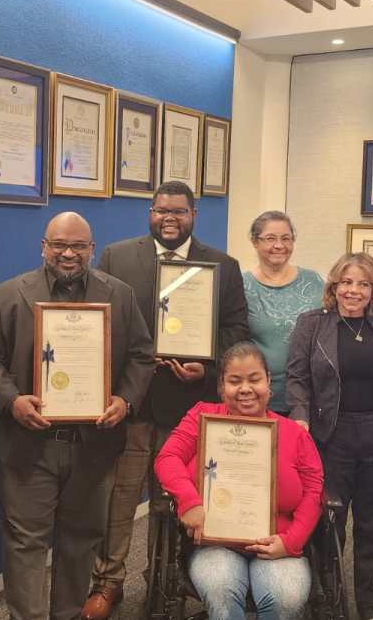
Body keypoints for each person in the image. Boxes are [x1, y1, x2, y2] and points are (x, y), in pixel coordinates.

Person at [0, 212, 155, 620]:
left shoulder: (119, 295)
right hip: (27, 444)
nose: (67, 254)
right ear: (43, 246)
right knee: (26, 543)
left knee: (80, 540)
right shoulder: (9, 294)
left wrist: (125, 400)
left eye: (77, 246)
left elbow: (142, 356)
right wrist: (12, 400)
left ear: (92, 248)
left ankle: (69, 613)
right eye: (58, 245)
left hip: (93, 446)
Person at [83, 181, 250, 619]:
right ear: (149, 213)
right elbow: (100, 322)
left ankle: (172, 580)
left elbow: (236, 330)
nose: (169, 218)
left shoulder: (223, 265)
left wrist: (209, 367)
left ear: (194, 213)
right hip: (132, 402)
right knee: (120, 498)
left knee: (181, 500)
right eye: (160, 211)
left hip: (189, 407)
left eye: (178, 211)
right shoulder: (118, 258)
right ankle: (108, 581)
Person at [285, 252, 373, 620]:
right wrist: (299, 417)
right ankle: (327, 597)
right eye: (347, 282)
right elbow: (297, 378)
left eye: (363, 284)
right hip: (330, 438)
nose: (353, 291)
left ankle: (366, 600)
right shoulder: (312, 324)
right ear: (334, 285)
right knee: (329, 522)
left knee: (372, 523)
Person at [154, 342, 323, 620]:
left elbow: (314, 489)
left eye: (254, 379)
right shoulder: (201, 417)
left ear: (269, 382)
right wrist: (189, 501)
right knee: (221, 590)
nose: (245, 389)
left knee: (286, 598)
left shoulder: (294, 433)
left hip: (277, 544)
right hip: (216, 544)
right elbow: (167, 457)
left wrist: (291, 542)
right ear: (221, 386)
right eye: (235, 381)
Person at [243, 211, 373, 415]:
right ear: (254, 242)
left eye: (286, 238)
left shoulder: (312, 281)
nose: (279, 245)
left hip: (313, 397)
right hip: (258, 396)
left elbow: (348, 304)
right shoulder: (242, 285)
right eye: (270, 238)